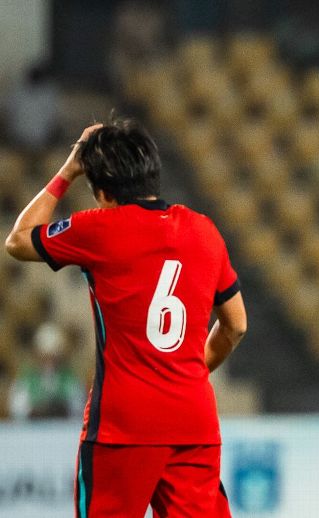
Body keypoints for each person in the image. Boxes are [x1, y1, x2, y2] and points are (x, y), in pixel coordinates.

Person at [4, 120, 247, 517]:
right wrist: (189, 371)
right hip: (194, 420)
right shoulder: (204, 230)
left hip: (122, 427)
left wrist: (69, 169)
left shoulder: (98, 228)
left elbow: (17, 240)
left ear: (103, 193)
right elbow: (236, 325)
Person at [9, 322, 85, 420]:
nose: (49, 362)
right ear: (37, 355)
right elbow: (17, 409)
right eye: (45, 357)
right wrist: (36, 410)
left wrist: (61, 408)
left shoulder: (70, 378)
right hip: (34, 427)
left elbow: (78, 407)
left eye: (53, 357)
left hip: (62, 426)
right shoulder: (26, 379)